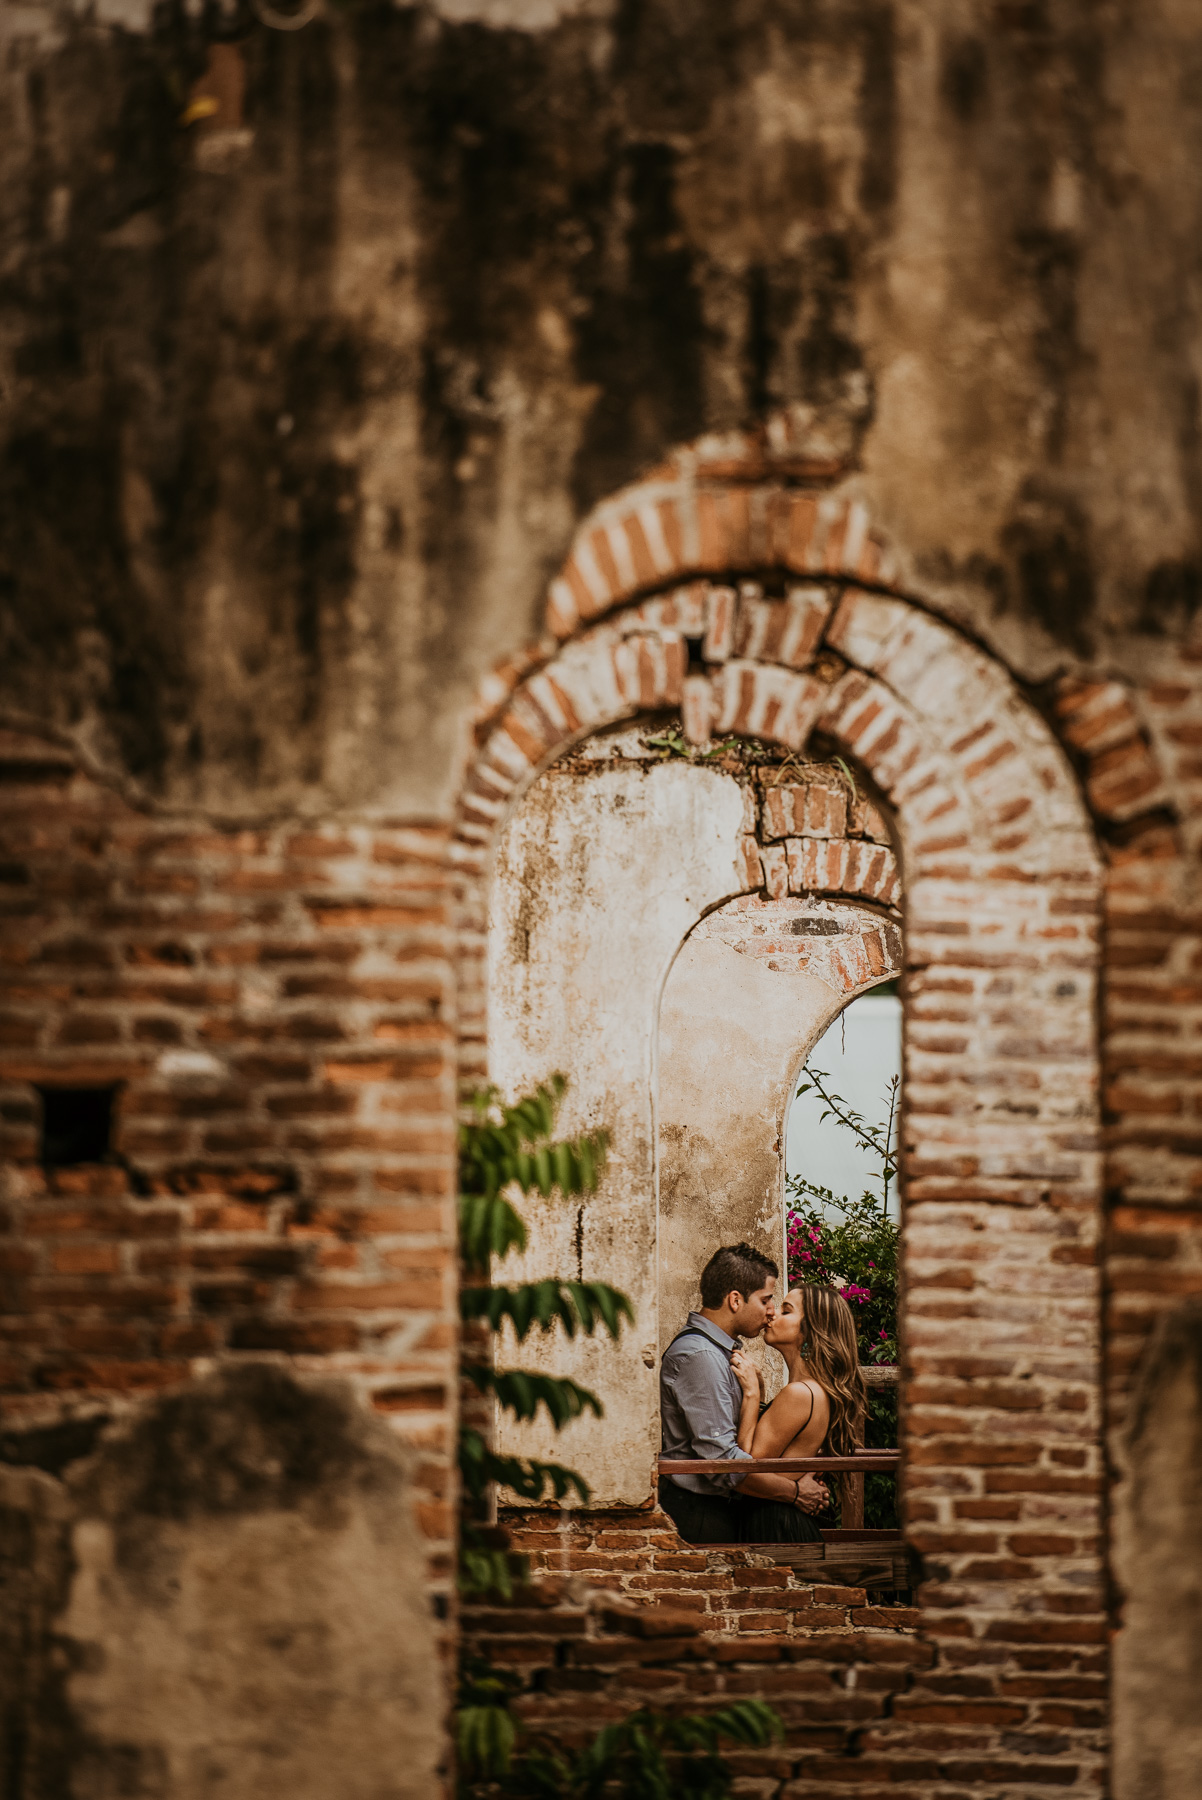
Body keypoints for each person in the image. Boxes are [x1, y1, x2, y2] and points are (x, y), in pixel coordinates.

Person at [659, 1242, 831, 1544]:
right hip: (700, 1516)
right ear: (735, 1300)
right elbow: (724, 1465)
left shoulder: (719, 1353)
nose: (771, 1311)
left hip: (719, 1511)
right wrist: (795, 1492)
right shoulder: (700, 1356)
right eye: (766, 1299)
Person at [728, 1282, 868, 1543]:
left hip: (775, 1526)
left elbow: (745, 1468)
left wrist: (751, 1395)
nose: (772, 1314)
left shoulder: (801, 1394)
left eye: (786, 1310)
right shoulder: (811, 1391)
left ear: (809, 1331)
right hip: (780, 1519)